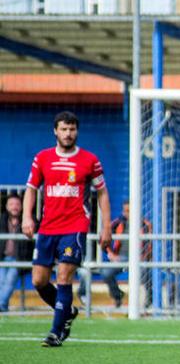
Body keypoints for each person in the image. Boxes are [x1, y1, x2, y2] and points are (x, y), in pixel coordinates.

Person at [22, 111, 112, 347]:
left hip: (75, 226)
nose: (68, 133)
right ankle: (68, 312)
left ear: (77, 131)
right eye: (64, 129)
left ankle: (56, 331)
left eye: (72, 129)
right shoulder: (42, 158)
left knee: (64, 276)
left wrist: (106, 227)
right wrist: (27, 217)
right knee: (39, 281)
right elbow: (31, 188)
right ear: (55, 131)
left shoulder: (89, 160)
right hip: (48, 227)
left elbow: (102, 192)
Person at [78, 201, 151, 308]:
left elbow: (150, 244)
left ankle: (149, 301)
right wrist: (110, 254)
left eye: (129, 210)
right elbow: (103, 238)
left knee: (147, 274)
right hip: (120, 258)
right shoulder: (117, 223)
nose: (127, 213)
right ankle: (118, 296)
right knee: (106, 272)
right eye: (125, 211)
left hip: (139, 260)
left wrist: (144, 257)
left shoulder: (145, 224)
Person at [0, 194, 34, 312]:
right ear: (6, 206)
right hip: (3, 258)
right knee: (1, 281)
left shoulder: (30, 221)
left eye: (17, 204)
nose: (14, 207)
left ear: (22, 206)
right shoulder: (1, 220)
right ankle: (3, 307)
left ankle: (1, 306)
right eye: (11, 204)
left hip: (20, 260)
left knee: (10, 279)